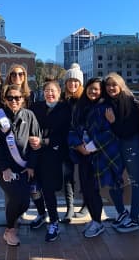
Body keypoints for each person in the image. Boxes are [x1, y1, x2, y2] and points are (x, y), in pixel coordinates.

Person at [69, 77, 122, 238]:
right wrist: (78, 145)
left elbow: (109, 133)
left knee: (93, 190)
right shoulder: (80, 107)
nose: (93, 91)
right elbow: (72, 129)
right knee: (85, 189)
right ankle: (93, 219)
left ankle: (98, 222)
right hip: (83, 154)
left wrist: (90, 147)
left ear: (102, 91)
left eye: (97, 89)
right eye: (91, 88)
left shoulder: (105, 107)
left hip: (98, 156)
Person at [0, 84, 41, 246]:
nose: (14, 101)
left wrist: (32, 165)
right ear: (5, 100)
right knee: (16, 196)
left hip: (24, 166)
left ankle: (11, 223)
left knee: (25, 202)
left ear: (23, 99)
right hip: (3, 167)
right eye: (10, 98)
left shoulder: (29, 115)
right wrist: (5, 168)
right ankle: (10, 230)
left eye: (17, 98)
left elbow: (35, 141)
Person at [29, 79, 71, 242]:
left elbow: (63, 133)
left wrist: (46, 141)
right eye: (47, 90)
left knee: (48, 190)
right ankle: (41, 214)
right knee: (33, 187)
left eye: (53, 90)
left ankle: (54, 222)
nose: (50, 93)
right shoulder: (36, 107)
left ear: (59, 93)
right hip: (34, 153)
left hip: (52, 155)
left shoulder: (64, 109)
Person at [104, 72, 139, 233]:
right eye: (108, 85)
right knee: (113, 181)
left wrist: (113, 123)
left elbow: (128, 130)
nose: (111, 88)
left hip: (131, 145)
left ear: (121, 84)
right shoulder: (106, 103)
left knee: (135, 182)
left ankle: (134, 219)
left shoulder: (130, 102)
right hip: (114, 147)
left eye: (114, 84)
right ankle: (122, 213)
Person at [60, 63, 88, 223]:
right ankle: (69, 207)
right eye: (69, 81)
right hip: (66, 145)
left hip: (82, 144)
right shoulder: (62, 100)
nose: (72, 84)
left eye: (75, 81)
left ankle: (86, 204)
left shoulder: (84, 101)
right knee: (67, 177)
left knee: (85, 175)